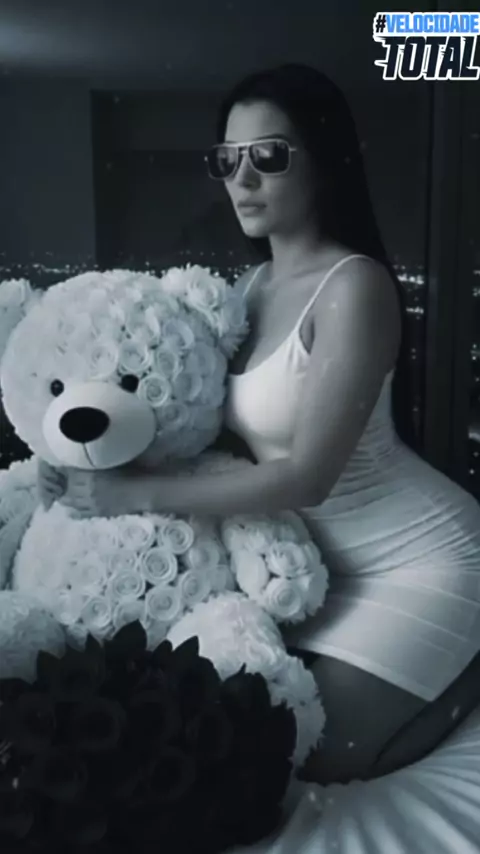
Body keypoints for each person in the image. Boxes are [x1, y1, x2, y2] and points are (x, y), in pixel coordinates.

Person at [39, 63, 480, 786]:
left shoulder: (354, 286)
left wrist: (135, 494)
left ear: (326, 162)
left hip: (422, 561)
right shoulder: (248, 288)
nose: (242, 179)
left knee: (315, 759)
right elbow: (201, 432)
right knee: (245, 739)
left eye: (269, 155)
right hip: (318, 573)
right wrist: (88, 467)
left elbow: (307, 478)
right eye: (228, 159)